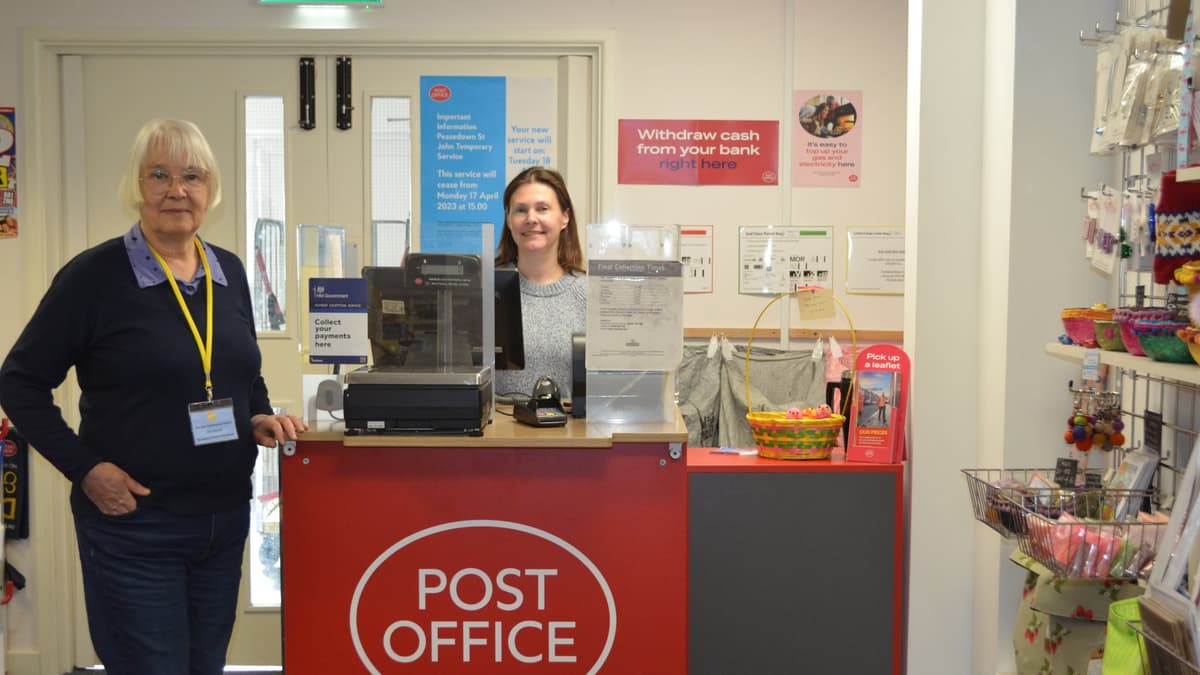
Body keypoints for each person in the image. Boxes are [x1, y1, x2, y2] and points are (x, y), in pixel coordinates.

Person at [0, 118, 307, 675]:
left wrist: (257, 413)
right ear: (136, 186)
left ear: (209, 189)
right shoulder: (94, 277)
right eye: (159, 175)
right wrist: (86, 468)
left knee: (204, 666)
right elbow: (18, 381)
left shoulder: (228, 272)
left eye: (192, 176)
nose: (176, 190)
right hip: (135, 524)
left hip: (222, 519)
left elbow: (239, 373)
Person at [494, 166, 587, 402]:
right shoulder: (487, 291)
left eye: (542, 209)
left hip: (569, 436)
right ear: (508, 220)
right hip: (498, 436)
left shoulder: (590, 295)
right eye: (520, 210)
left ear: (564, 217)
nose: (531, 219)